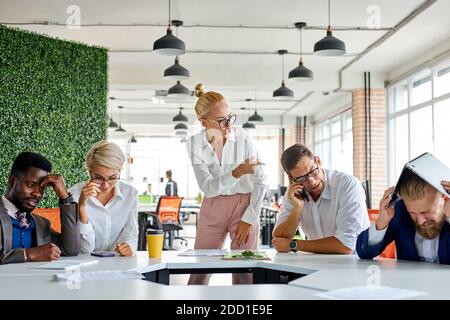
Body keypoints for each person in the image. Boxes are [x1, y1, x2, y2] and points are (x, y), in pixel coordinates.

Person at [187, 83, 267, 285]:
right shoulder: (195, 143)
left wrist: (249, 217)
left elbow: (261, 179)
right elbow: (207, 187)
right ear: (204, 122)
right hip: (213, 206)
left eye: (230, 117)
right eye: (222, 121)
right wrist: (238, 171)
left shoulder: (243, 137)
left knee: (245, 270)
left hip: (244, 206)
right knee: (199, 269)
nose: (229, 125)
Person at [272, 144, 370, 254]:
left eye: (312, 171)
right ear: (292, 179)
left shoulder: (347, 185)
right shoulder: (295, 192)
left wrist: (293, 244)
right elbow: (279, 239)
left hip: (354, 263)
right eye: (302, 178)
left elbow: (346, 245)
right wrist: (297, 209)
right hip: (318, 262)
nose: (312, 181)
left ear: (318, 161)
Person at [0, 152, 79, 264]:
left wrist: (65, 198)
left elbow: (70, 249)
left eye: (42, 189)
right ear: (12, 181)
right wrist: (29, 254)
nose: (37, 194)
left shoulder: (41, 224)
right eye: (31, 185)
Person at [356, 172, 450, 264]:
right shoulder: (399, 212)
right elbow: (364, 252)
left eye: (426, 212)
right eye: (412, 213)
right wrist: (381, 222)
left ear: (445, 198)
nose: (421, 221)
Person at [69, 140, 138, 256]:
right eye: (98, 177)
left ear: (120, 171)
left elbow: (131, 233)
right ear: (90, 171)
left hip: (118, 263)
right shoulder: (74, 194)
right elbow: (85, 249)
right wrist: (81, 207)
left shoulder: (130, 194)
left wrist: (129, 246)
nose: (105, 185)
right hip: (84, 264)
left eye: (112, 177)